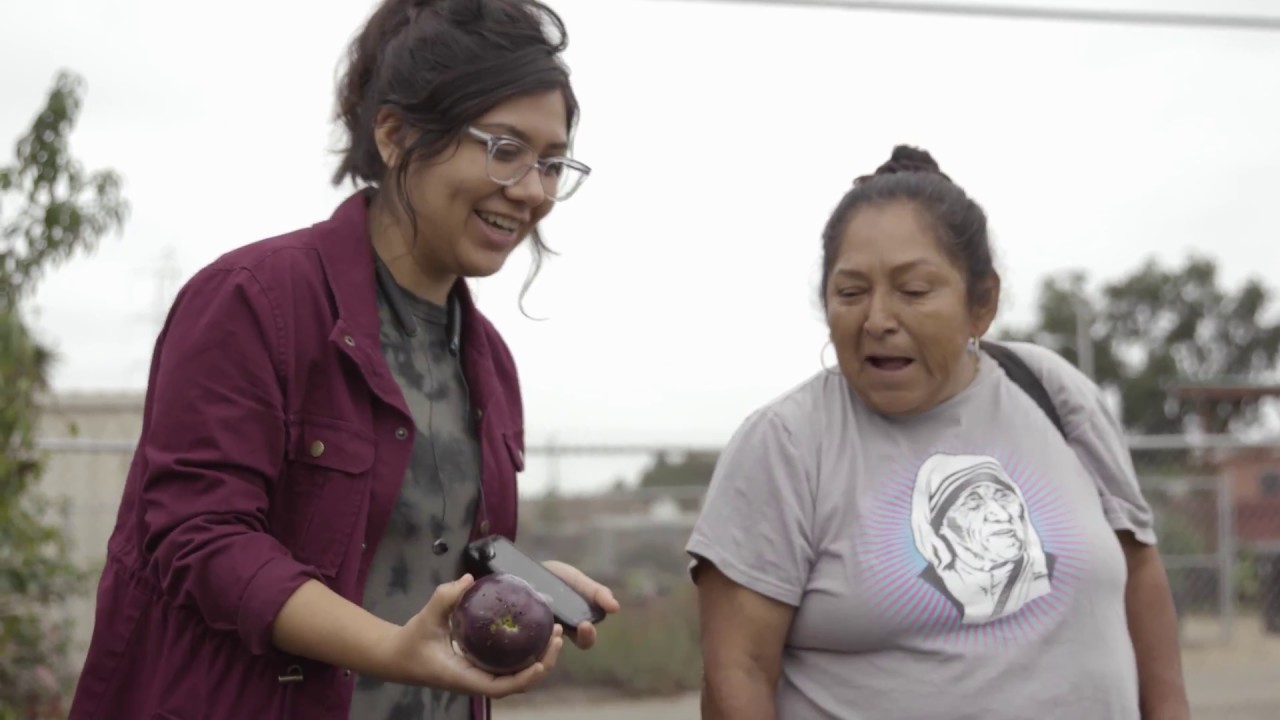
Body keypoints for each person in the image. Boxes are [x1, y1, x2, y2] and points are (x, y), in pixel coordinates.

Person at [67, 1, 619, 719]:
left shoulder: (489, 361)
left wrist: (515, 584)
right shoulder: (255, 301)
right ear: (394, 135)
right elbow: (200, 538)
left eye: (551, 163)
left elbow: (432, 555)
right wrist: (387, 649)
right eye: (504, 149)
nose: (534, 191)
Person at [685, 146, 1190, 719]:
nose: (877, 319)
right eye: (850, 292)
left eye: (915, 291)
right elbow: (737, 674)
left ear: (982, 303)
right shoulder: (786, 445)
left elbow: (1140, 576)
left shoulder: (1049, 389)